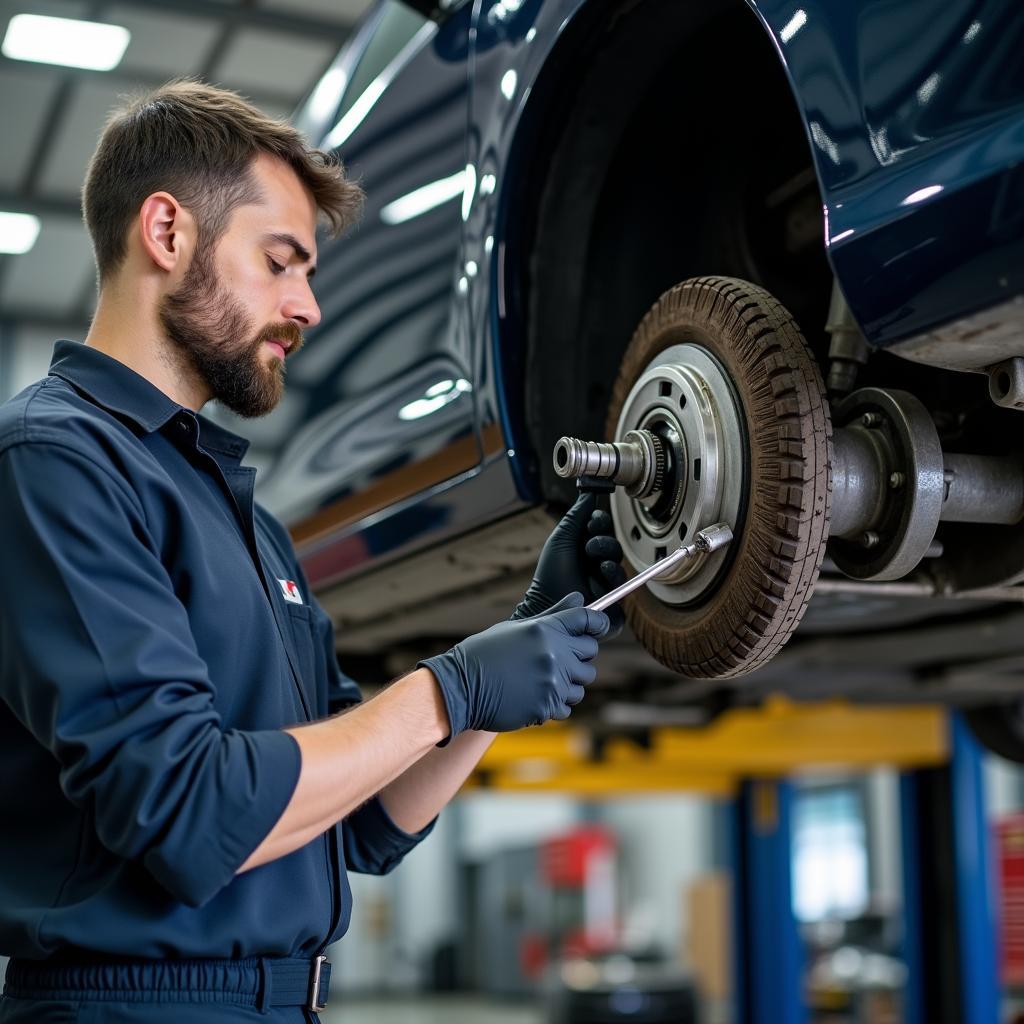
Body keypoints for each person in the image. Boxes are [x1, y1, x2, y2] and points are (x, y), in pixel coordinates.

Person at [0, 81, 625, 1023]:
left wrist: (515, 656)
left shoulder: (242, 514)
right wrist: (448, 688)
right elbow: (189, 812)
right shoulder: (54, 462)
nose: (309, 307)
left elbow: (363, 824)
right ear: (166, 234)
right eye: (280, 262)